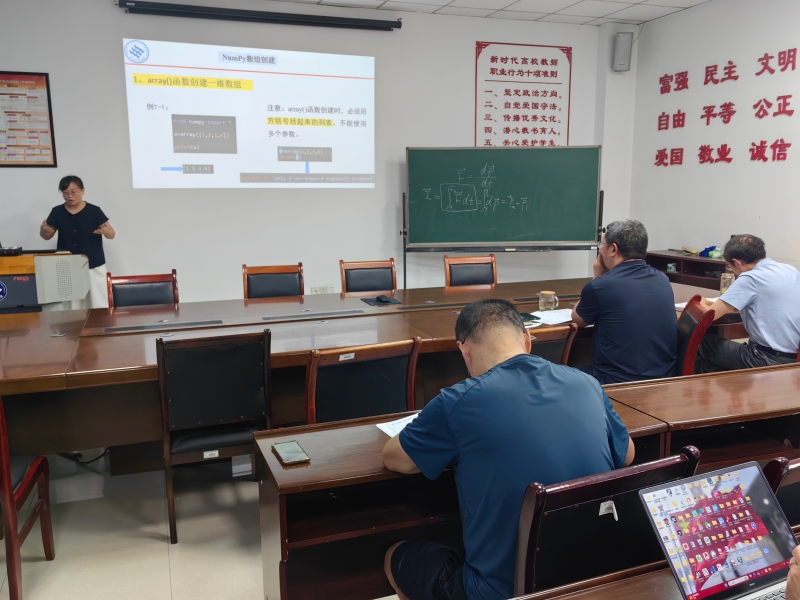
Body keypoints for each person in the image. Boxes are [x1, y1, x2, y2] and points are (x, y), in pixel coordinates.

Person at [382, 298, 634, 600]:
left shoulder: (458, 401)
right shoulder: (587, 384)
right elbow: (627, 455)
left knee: (396, 555)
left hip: (500, 592)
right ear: (528, 340)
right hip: (588, 581)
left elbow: (395, 459)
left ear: (464, 350)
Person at [571, 220, 678, 384]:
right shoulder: (662, 279)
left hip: (615, 381)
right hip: (663, 379)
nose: (600, 249)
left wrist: (597, 276)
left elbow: (578, 320)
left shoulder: (600, 286)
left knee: (554, 376)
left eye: (602, 244)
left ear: (613, 249)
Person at [695, 234, 800, 373]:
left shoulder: (750, 278)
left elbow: (709, 315)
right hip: (794, 358)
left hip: (767, 359)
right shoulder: (789, 270)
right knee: (719, 360)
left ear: (737, 263)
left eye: (730, 266)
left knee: (697, 342)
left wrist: (700, 301)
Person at [40, 175, 115, 308]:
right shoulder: (57, 212)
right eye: (65, 192)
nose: (70, 196)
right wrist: (44, 231)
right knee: (71, 305)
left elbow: (111, 234)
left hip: (93, 263)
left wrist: (105, 231)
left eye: (73, 192)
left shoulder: (94, 211)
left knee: (98, 303)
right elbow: (47, 236)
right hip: (66, 265)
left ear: (82, 191)